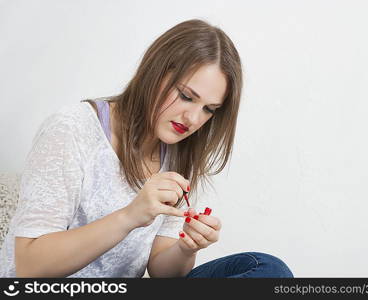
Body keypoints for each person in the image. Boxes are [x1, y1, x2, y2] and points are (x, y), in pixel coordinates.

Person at [0, 19, 294, 278]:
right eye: (186, 96)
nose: (193, 119)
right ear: (154, 72)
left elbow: (162, 270)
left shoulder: (179, 153)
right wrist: (130, 216)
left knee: (270, 270)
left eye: (209, 109)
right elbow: (30, 266)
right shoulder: (72, 129)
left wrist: (185, 248)